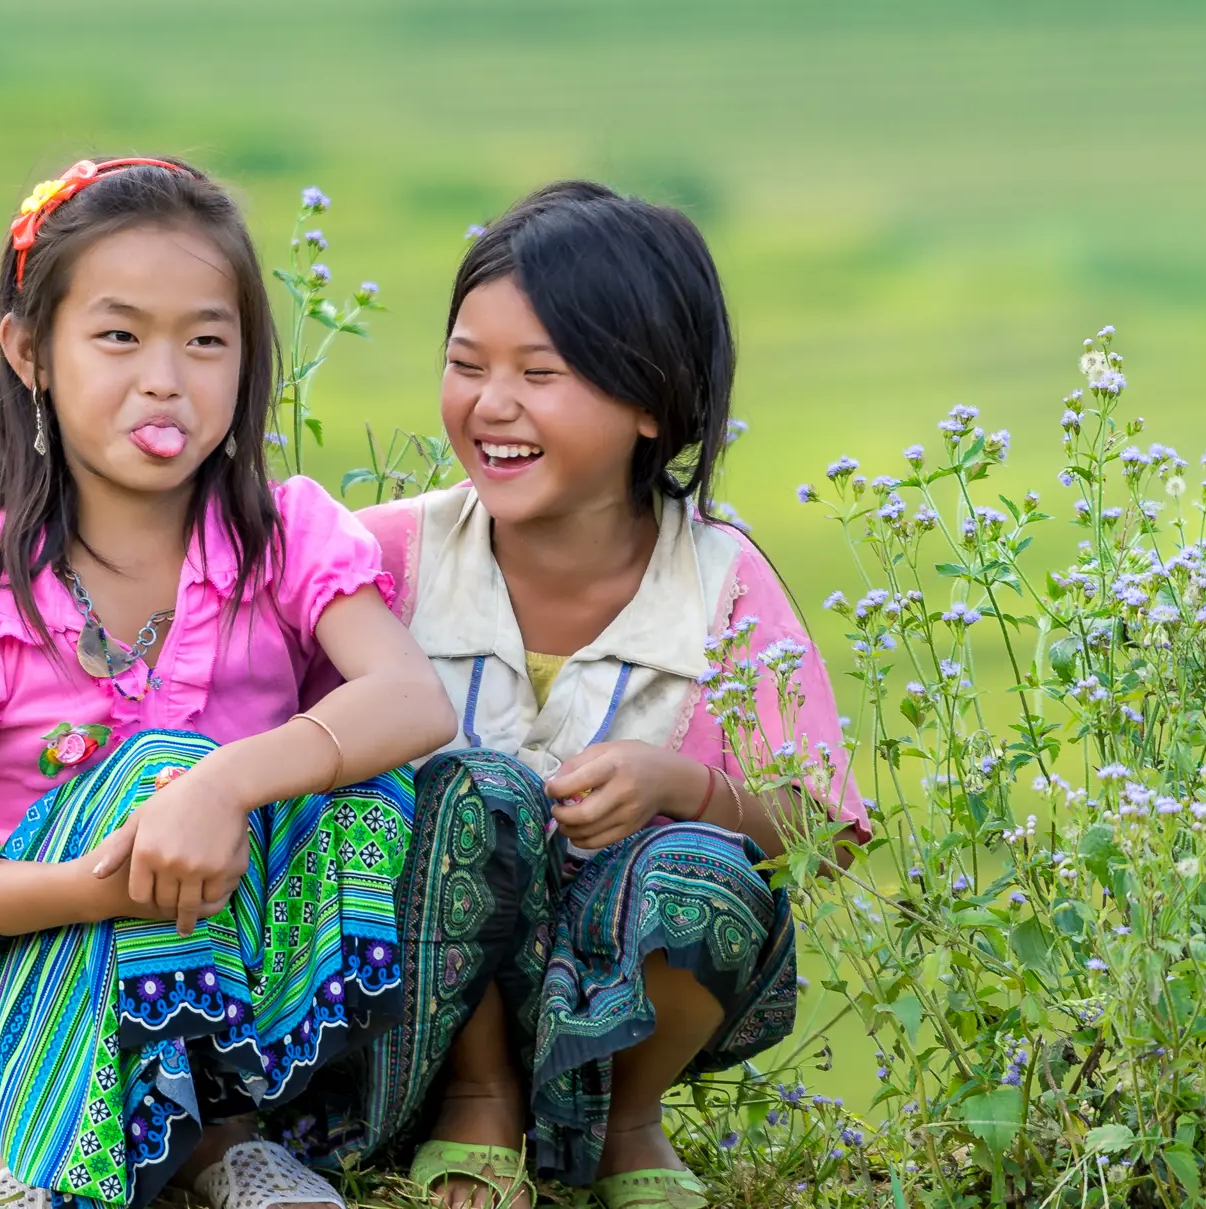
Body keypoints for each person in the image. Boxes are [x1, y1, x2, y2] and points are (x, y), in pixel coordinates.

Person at [0, 156, 455, 1209]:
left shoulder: (281, 534)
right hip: (32, 977)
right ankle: (54, 1146)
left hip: (234, 957)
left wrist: (221, 788)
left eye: (206, 340)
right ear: (27, 351)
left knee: (396, 786)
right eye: (118, 335)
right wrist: (105, 880)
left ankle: (231, 1145)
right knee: (155, 764)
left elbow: (411, 701)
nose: (165, 378)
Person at [280, 181, 871, 1209]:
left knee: (703, 871)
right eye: (466, 366)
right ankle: (476, 1105)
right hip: (397, 1004)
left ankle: (623, 1126)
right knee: (467, 793)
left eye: (539, 374)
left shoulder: (723, 587)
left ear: (654, 402)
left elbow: (819, 826)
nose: (490, 403)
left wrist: (685, 785)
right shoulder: (379, 559)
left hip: (617, 1012)